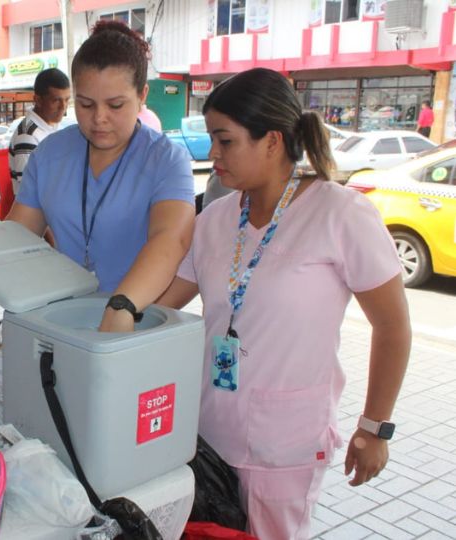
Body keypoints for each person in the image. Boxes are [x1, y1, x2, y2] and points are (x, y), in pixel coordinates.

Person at [158, 68, 411, 539]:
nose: (212, 154)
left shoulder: (341, 214)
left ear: (272, 141)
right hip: (210, 432)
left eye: (225, 140)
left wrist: (375, 427)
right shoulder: (214, 218)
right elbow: (165, 303)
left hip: (286, 443)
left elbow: (393, 327)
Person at [0, 20, 195, 332]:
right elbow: (20, 235)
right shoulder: (51, 153)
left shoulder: (166, 160)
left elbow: (170, 239)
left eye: (115, 105)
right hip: (60, 320)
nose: (99, 119)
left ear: (142, 95)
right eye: (85, 104)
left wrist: (122, 305)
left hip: (132, 322)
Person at [8, 68, 71, 196]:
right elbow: (29, 190)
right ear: (38, 100)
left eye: (66, 100)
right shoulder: (28, 136)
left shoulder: (50, 127)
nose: (63, 107)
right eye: (56, 100)